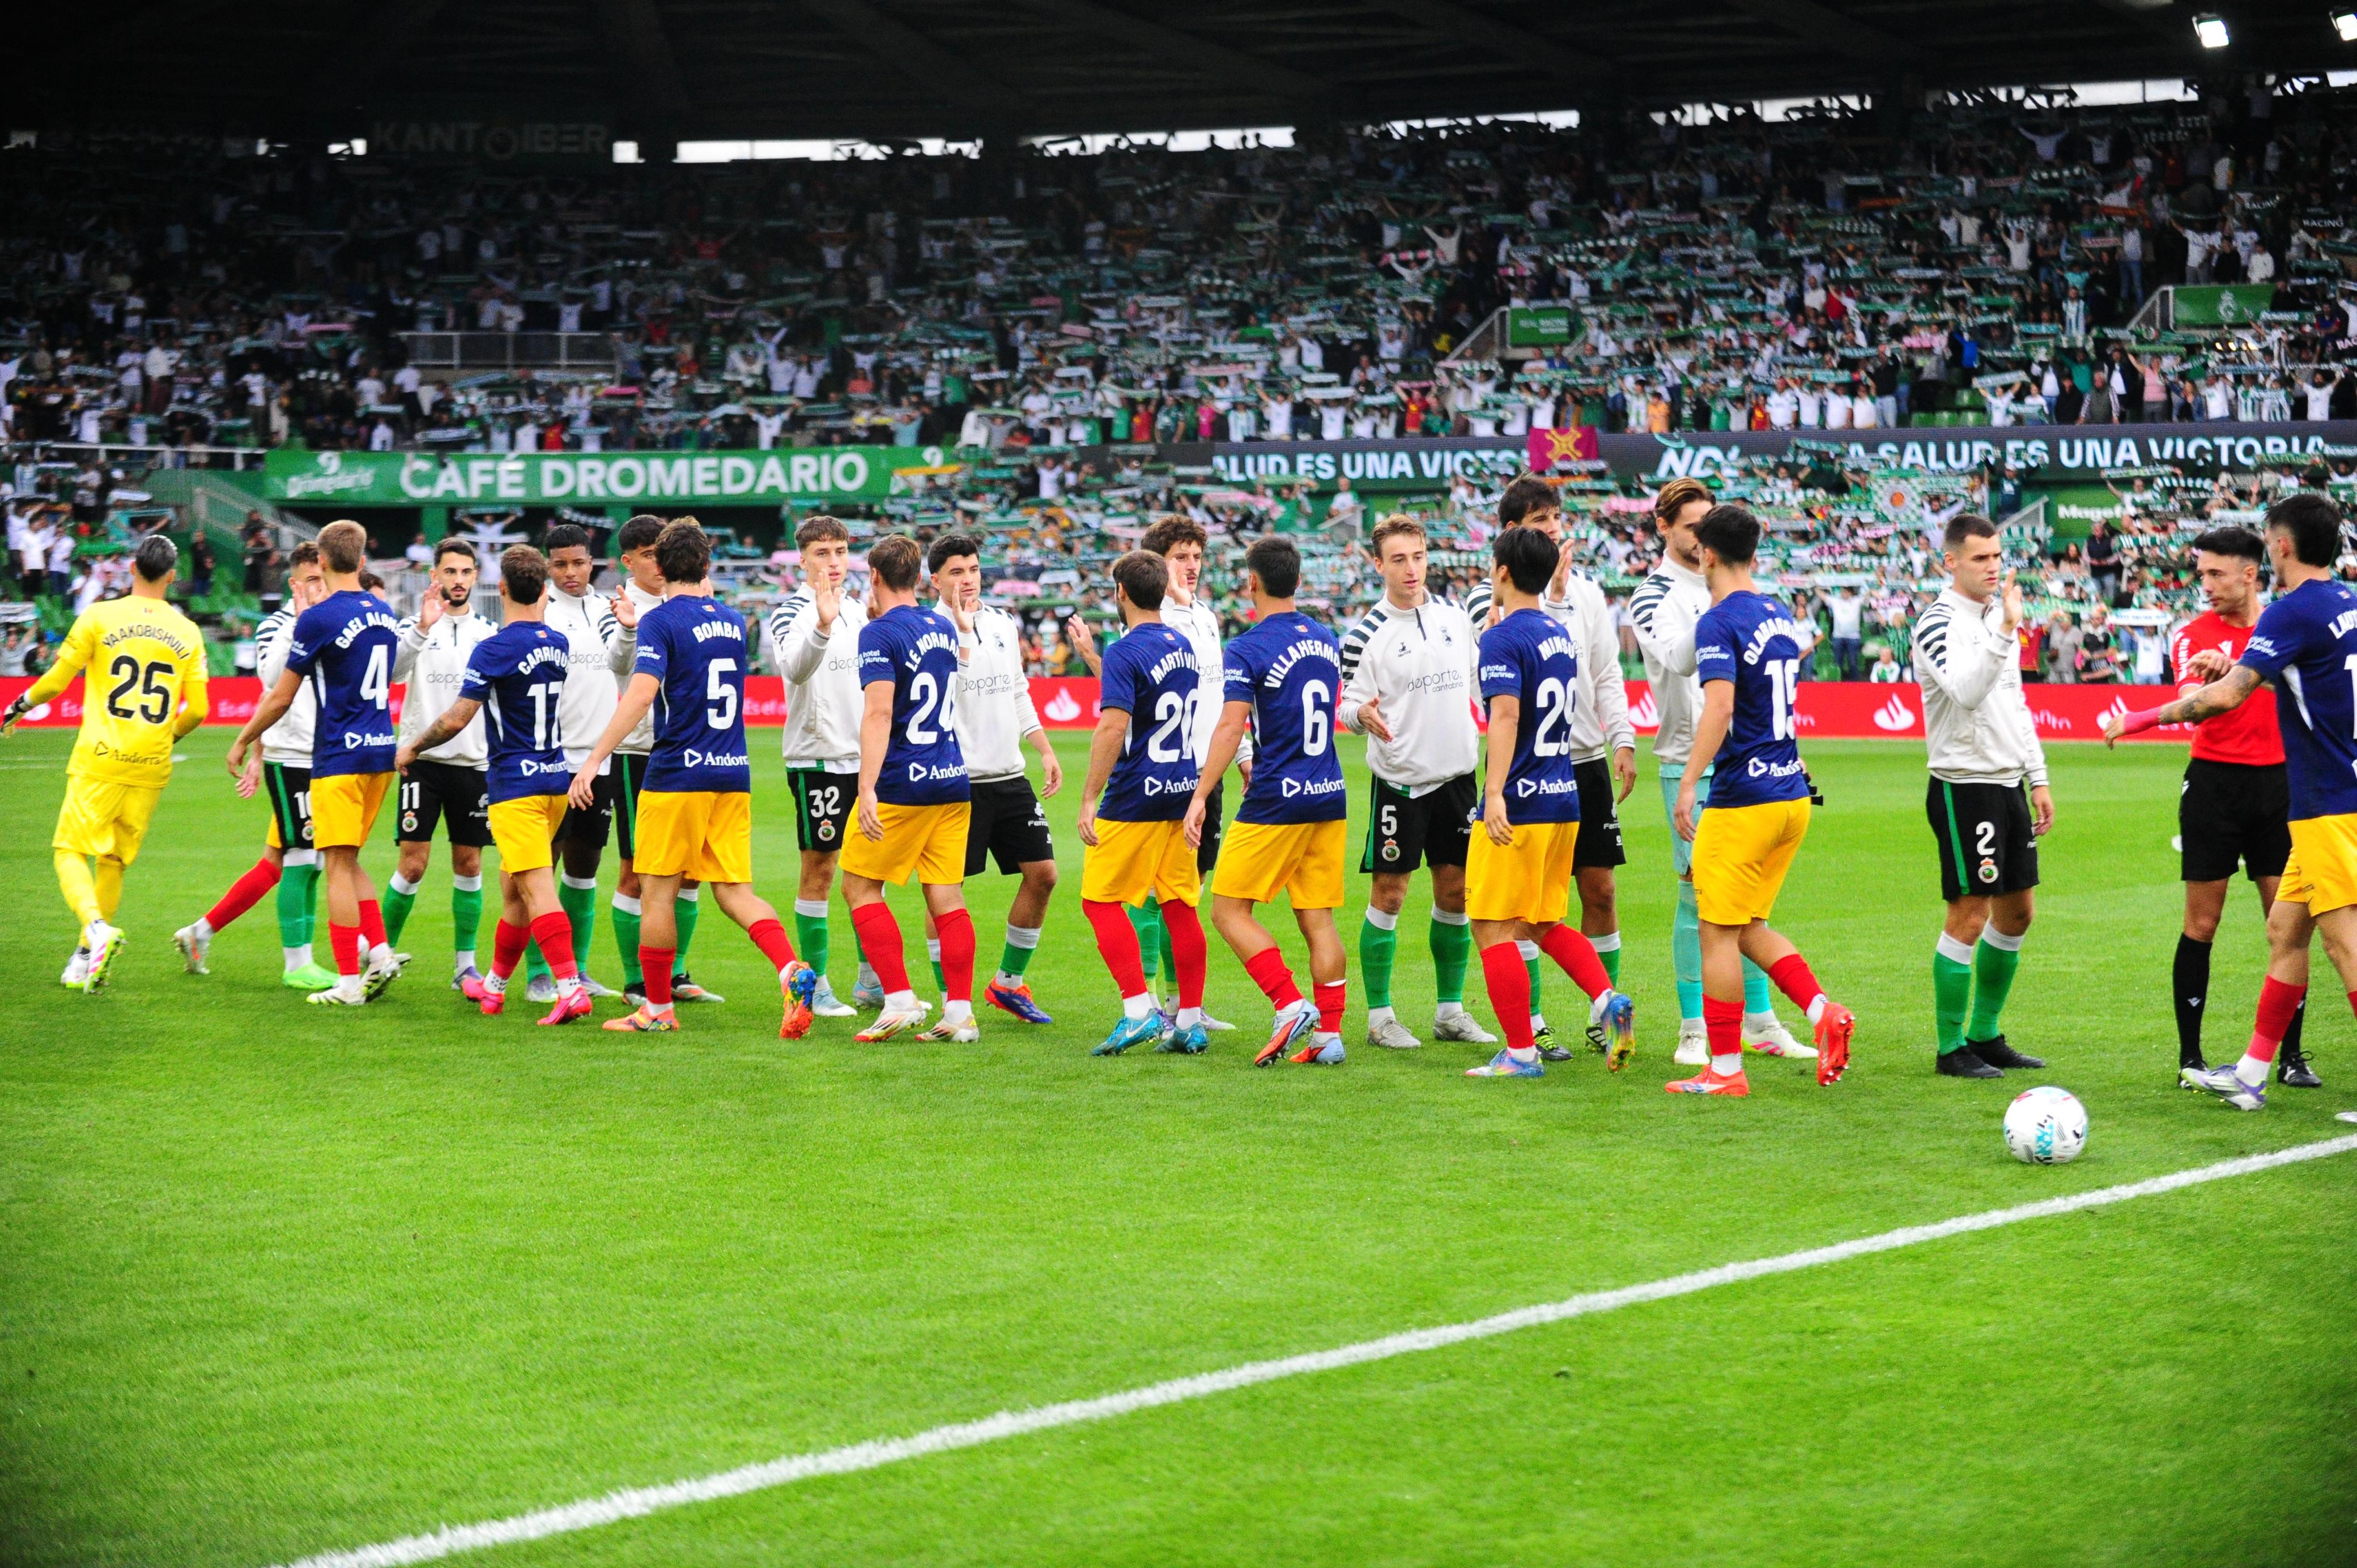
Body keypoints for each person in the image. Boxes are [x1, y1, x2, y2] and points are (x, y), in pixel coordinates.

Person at [2107, 494, 2357, 1114]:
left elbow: (2223, 698)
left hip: (2324, 803)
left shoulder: (2290, 611)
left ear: (2278, 547)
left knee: (2344, 944)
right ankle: (2249, 1075)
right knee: (2283, 929)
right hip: (2329, 796)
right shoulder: (2347, 603)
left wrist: (2138, 717)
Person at [566, 518, 817, 1037]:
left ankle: (656, 1009)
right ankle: (791, 968)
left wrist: (594, 759)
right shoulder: (729, 620)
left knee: (656, 892)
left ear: (659, 566)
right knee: (734, 891)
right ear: (706, 566)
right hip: (732, 770)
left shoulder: (660, 621)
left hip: (678, 772)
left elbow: (640, 694)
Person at [1669, 504, 1857, 1095]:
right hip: (1788, 794)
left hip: (1743, 797)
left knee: (1716, 931)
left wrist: (1685, 782)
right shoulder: (1778, 615)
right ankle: (1822, 1010)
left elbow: (1720, 709)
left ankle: (1724, 1069)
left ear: (1707, 553)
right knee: (1748, 923)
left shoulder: (1717, 621)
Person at [1628, 478, 1811, 1068]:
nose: (1700, 533)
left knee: (1744, 905)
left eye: (1709, 522)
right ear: (1665, 528)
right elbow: (1680, 660)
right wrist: (1721, 609)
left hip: (1749, 764)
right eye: (1690, 524)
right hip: (1689, 754)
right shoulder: (1652, 595)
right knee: (1697, 901)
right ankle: (1693, 1028)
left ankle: (1759, 1021)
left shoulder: (1735, 594)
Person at [1465, 476, 1648, 1056]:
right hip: (1562, 791)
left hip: (1518, 797)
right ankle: (1604, 1000)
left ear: (1500, 570)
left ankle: (1519, 1052)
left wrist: (1492, 792)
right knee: (1543, 921)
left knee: (1492, 925)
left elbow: (1503, 715)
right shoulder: (1557, 631)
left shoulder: (1503, 634)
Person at [394, 546, 597, 1025]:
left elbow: (458, 718)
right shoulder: (558, 642)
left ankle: (569, 987)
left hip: (515, 787)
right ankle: (496, 985)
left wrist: (413, 748)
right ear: (544, 590)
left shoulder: (494, 648)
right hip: (555, 782)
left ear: (500, 589)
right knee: (514, 892)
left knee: (537, 889)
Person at [5, 534, 209, 992]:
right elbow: (197, 710)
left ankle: (95, 930)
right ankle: (83, 959)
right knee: (114, 860)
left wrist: (18, 705)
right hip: (150, 764)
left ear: (132, 569)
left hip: (101, 758)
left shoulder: (99, 616)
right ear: (172, 576)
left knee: (69, 850)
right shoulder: (189, 632)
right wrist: (165, 736)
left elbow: (57, 680)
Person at [1067, 515, 1240, 1035]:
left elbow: (1114, 725)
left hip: (1138, 790)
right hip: (1185, 786)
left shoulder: (1125, 649)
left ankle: (1138, 1009)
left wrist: (1088, 798)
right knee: (1181, 904)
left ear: (1120, 592)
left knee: (1098, 900)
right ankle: (1188, 1018)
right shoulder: (1182, 645)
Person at [1183, 535, 1350, 1067]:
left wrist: (1201, 795)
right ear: (1298, 581)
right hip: (1329, 792)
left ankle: (1288, 1003)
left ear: (1252, 582)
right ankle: (1330, 1035)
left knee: (1229, 909)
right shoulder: (1326, 638)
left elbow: (1233, 726)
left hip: (1278, 797)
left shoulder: (1249, 647)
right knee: (1318, 919)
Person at [2156, 527, 2315, 1087]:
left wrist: (2238, 669)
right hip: (2212, 787)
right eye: (2200, 573)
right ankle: (2189, 1057)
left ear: (2249, 573)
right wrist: (2220, 671)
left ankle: (2291, 1057)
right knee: (2201, 921)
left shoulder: (2283, 625)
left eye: (2215, 573)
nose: (2205, 584)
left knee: (2288, 924)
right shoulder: (2190, 635)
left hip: (2280, 787)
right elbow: (2192, 704)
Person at [1338, 514, 1493, 1051]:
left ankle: (1450, 1011)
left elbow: (1479, 681)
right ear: (1377, 564)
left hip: (1458, 778)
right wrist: (1362, 717)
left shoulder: (1454, 617)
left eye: (1418, 557)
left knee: (1456, 893)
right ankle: (1380, 1018)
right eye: (1398, 559)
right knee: (1390, 892)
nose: (1411, 569)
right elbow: (1347, 704)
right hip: (1401, 784)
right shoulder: (1364, 636)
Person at [1912, 514, 2055, 1079]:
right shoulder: (1936, 623)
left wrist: (2036, 775)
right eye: (1979, 558)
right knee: (1968, 913)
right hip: (1962, 785)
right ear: (1948, 561)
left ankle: (1984, 1032)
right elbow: (1968, 692)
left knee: (2017, 912)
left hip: (2005, 782)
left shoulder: (1996, 618)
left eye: (1996, 556)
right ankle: (1950, 1048)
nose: (1992, 566)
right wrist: (2003, 632)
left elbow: (2013, 703)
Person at [172, 542, 338, 990]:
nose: (318, 587)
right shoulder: (278, 626)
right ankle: (299, 963)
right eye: (310, 580)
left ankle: (199, 933)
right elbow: (271, 683)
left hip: (324, 755)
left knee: (286, 861)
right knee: (305, 858)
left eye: (323, 578)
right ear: (295, 583)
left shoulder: (335, 620)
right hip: (293, 756)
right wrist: (302, 627)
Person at [925, 531, 1064, 1025]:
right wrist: (960, 632)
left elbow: (1017, 690)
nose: (967, 580)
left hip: (1009, 776)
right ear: (935, 579)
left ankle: (1007, 984)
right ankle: (950, 998)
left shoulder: (1003, 623)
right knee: (946, 889)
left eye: (974, 569)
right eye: (956, 572)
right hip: (957, 781)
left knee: (1044, 875)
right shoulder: (931, 630)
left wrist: (1043, 748)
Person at [605, 514, 720, 1007]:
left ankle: (676, 973)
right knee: (637, 870)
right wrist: (629, 628)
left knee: (691, 871)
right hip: (640, 753)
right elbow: (619, 667)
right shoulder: (628, 608)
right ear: (631, 561)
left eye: (663, 553)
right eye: (649, 554)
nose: (659, 563)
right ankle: (636, 980)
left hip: (690, 754)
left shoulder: (696, 598)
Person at [767, 515, 871, 1018]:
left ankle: (871, 980)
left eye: (840, 551)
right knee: (821, 870)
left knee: (872, 870)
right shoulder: (790, 613)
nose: (833, 562)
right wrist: (823, 625)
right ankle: (817, 984)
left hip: (867, 761)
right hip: (819, 759)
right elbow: (794, 667)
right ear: (802, 559)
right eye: (822, 553)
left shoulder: (861, 613)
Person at [516, 522, 624, 1001]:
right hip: (551, 760)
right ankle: (539, 971)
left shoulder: (608, 611)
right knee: (543, 866)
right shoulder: (539, 615)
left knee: (585, 867)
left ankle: (576, 970)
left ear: (591, 563)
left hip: (599, 760)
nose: (570, 572)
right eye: (559, 564)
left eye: (578, 562)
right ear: (546, 567)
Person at [381, 538, 495, 988]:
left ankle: (464, 965)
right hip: (421, 764)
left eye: (466, 572)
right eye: (450, 572)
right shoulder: (413, 625)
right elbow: (390, 673)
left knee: (469, 864)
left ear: (476, 577)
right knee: (413, 865)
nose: (459, 580)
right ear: (435, 577)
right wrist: (422, 630)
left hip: (473, 764)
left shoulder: (488, 632)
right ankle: (380, 954)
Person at [1826, 585, 1865, 680]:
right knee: (1838, 662)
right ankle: (1839, 683)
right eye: (1843, 592)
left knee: (1853, 662)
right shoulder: (1836, 601)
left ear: (1851, 593)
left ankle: (1854, 685)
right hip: (1838, 637)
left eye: (1846, 592)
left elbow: (1868, 595)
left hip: (1854, 637)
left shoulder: (1857, 601)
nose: (1844, 594)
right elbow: (1822, 596)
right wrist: (1815, 584)